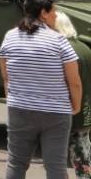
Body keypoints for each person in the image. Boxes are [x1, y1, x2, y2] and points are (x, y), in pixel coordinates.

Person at [0, 0, 82, 179]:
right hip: (56, 112)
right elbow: (74, 82)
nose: (55, 15)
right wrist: (75, 106)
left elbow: (6, 76)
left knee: (16, 163)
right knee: (55, 167)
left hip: (19, 109)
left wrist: (13, 98)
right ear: (43, 13)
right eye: (53, 10)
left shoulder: (10, 37)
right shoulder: (59, 41)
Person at [55, 11, 91, 179]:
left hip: (67, 111)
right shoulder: (85, 48)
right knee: (83, 152)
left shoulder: (63, 50)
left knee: (56, 156)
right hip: (86, 109)